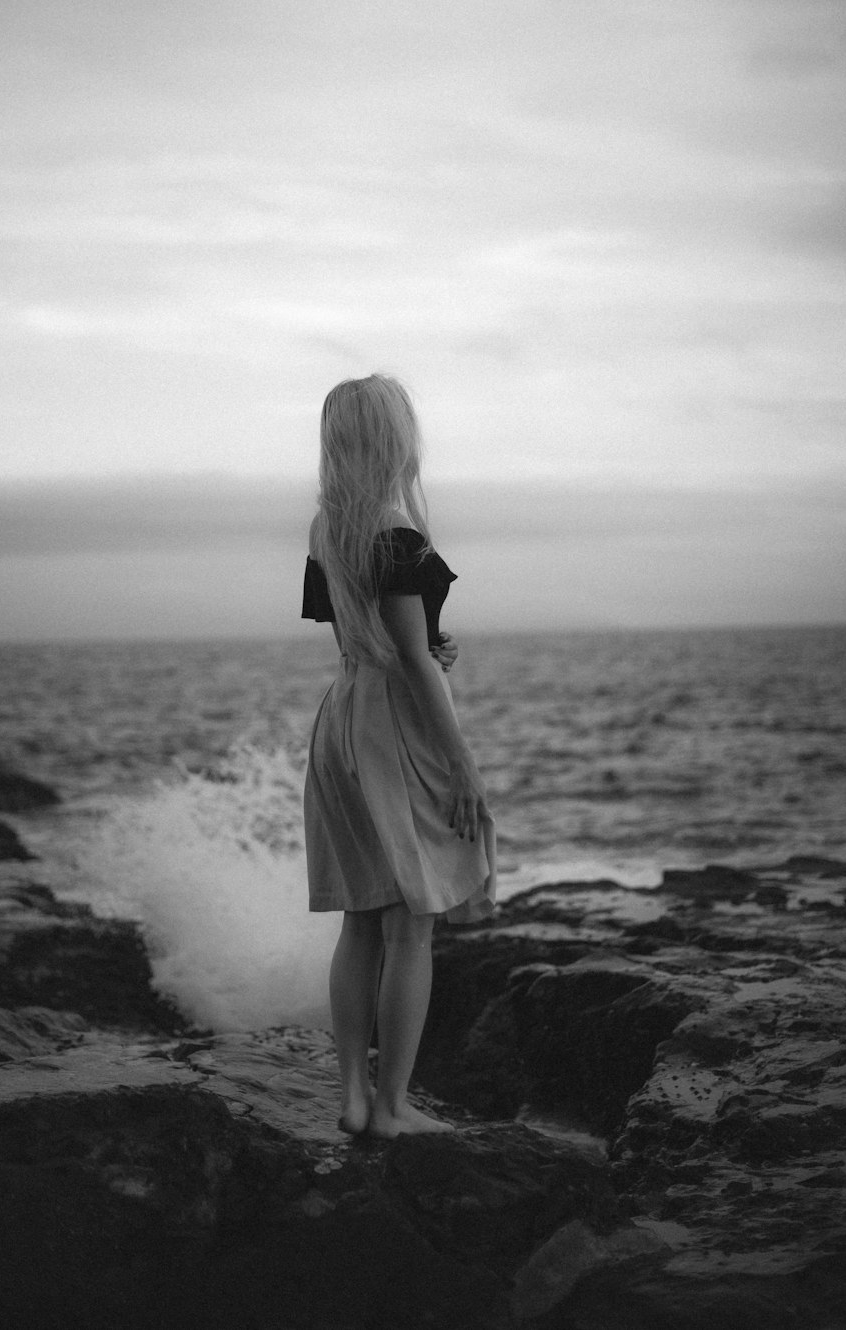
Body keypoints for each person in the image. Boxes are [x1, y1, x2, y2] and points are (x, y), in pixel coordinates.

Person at [302, 374, 496, 1139]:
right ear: (393, 439)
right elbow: (414, 665)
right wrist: (463, 767)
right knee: (412, 926)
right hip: (396, 727)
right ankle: (391, 1110)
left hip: (343, 719)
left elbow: (369, 637)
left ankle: (352, 1095)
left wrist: (422, 645)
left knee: (360, 918)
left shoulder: (330, 527)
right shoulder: (397, 535)